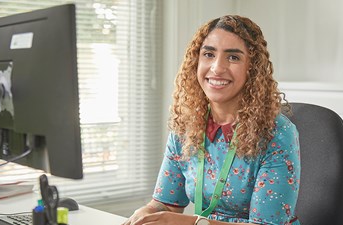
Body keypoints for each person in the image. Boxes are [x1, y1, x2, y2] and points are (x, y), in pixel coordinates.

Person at [123, 15, 300, 225]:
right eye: (208, 54)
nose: (217, 68)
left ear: (252, 69)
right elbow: (167, 203)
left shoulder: (277, 133)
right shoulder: (187, 125)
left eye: (233, 57)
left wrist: (194, 223)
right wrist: (147, 212)